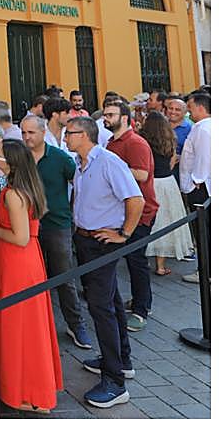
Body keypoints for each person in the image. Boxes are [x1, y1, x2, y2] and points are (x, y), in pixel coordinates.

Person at [64, 117, 143, 408]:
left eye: (69, 133)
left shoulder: (108, 162)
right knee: (108, 301)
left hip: (102, 242)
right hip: (85, 239)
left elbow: (135, 200)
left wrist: (124, 234)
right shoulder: (80, 164)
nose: (66, 138)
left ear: (84, 135)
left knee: (101, 308)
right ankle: (120, 360)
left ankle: (115, 381)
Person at [0, 140, 63, 413]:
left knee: (17, 327)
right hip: (27, 260)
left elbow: (18, 237)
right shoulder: (27, 188)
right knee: (28, 325)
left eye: (0, 155)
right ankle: (26, 387)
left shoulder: (13, 194)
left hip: (15, 261)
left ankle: (22, 390)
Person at [18, 120, 93, 350]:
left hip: (57, 224)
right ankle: (32, 327)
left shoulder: (60, 158)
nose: (27, 136)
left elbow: (79, 183)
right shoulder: (21, 159)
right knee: (29, 279)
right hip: (27, 226)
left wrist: (74, 212)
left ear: (43, 133)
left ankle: (76, 323)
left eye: (31, 132)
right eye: (23, 132)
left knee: (64, 276)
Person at [102, 99, 158, 332]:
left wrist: (112, 168)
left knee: (136, 261)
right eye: (105, 114)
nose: (106, 118)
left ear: (124, 118)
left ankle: (142, 310)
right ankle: (137, 300)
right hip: (120, 211)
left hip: (140, 211)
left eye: (111, 114)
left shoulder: (135, 142)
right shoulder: (110, 142)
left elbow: (142, 174)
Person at [141, 112, 194, 275]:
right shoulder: (171, 139)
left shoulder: (143, 141)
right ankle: (161, 265)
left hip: (150, 183)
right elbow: (172, 162)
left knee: (150, 221)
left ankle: (144, 256)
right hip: (168, 182)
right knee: (167, 221)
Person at [179, 92, 211, 284]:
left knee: (204, 231)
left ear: (200, 107)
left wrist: (195, 179)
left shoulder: (203, 129)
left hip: (201, 187)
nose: (188, 110)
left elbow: (204, 157)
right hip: (202, 185)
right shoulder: (204, 127)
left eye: (190, 106)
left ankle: (206, 271)